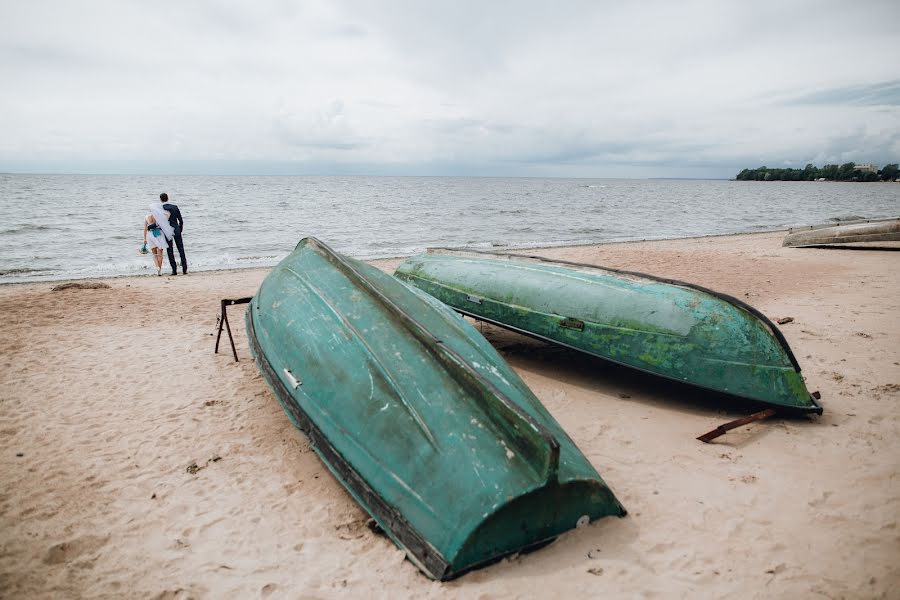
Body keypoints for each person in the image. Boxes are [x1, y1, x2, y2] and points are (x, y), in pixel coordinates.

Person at [160, 192, 187, 275]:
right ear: (167, 198)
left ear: (160, 199)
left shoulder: (161, 208)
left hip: (167, 231)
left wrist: (149, 227)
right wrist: (180, 229)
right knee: (181, 249)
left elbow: (160, 222)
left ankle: (174, 270)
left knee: (170, 250)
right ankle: (184, 269)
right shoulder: (175, 207)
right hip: (176, 229)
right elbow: (181, 220)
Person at [143, 203, 174, 276]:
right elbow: (168, 216)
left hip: (150, 235)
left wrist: (144, 239)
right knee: (160, 253)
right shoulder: (159, 216)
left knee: (154, 254)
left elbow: (145, 228)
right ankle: (159, 270)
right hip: (159, 234)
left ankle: (157, 267)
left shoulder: (146, 217)